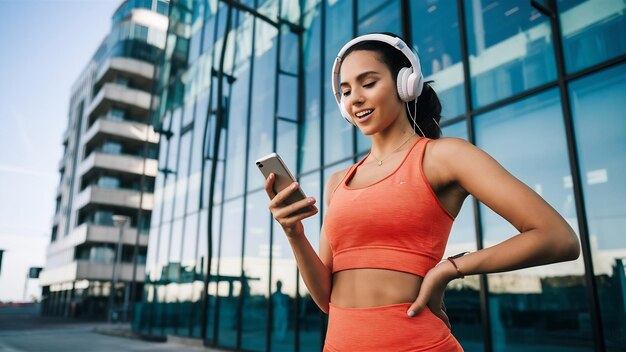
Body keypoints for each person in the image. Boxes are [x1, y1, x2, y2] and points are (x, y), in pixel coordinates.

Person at [263, 33, 580, 351]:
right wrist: (294, 232)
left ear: (406, 84)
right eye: (345, 91)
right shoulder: (337, 182)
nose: (355, 98)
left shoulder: (444, 156)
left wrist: (449, 268)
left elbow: (557, 238)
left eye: (368, 83)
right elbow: (325, 299)